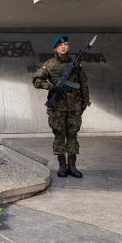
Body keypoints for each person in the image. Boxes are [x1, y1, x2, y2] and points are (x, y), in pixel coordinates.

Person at [33, 36, 90, 178]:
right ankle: (62, 167)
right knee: (59, 136)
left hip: (74, 107)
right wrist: (52, 87)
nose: (63, 47)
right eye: (60, 45)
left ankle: (72, 166)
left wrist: (84, 103)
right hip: (57, 107)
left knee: (72, 136)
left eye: (66, 44)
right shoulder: (50, 64)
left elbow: (83, 84)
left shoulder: (76, 64)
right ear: (55, 48)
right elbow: (37, 80)